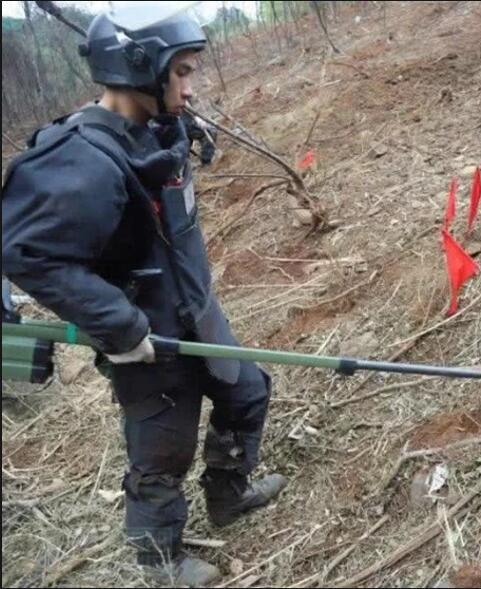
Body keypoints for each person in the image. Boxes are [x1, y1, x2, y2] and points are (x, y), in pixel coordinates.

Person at [2, 8, 286, 586]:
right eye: (181, 72)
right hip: (147, 337)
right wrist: (120, 326)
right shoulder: (79, 159)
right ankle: (160, 560)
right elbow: (27, 252)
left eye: (192, 71)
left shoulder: (157, 126)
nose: (191, 87)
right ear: (139, 71)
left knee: (247, 393)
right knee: (161, 452)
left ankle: (229, 496)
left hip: (196, 311)